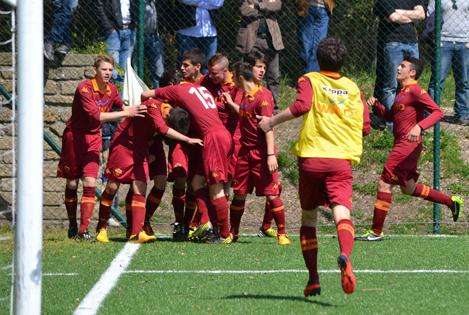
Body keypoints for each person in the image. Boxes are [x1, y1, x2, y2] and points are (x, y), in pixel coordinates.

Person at [258, 37, 371, 296]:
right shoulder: (354, 89)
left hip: (312, 158)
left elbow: (302, 105)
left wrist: (271, 122)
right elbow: (365, 128)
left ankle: (314, 279)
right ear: (343, 61)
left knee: (309, 217)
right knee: (342, 213)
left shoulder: (310, 79)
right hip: (340, 160)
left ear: (317, 58)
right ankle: (345, 254)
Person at [358, 56, 464, 241]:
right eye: (399, 65)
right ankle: (451, 202)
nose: (398, 68)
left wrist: (419, 126)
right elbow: (391, 116)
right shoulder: (402, 92)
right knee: (408, 188)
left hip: (407, 145)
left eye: (403, 66)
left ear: (412, 72)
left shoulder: (415, 90)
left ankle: (376, 232)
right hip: (403, 144)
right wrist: (377, 106)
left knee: (384, 183)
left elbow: (437, 112)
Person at [141, 52, 233, 244]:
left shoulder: (178, 90)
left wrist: (157, 107)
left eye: (185, 66)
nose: (182, 70)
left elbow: (145, 94)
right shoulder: (204, 89)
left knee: (215, 188)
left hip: (211, 138)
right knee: (197, 182)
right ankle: (208, 227)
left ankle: (224, 234)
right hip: (219, 136)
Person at [57, 55, 146, 240]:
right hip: (74, 138)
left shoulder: (112, 89)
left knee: (90, 182)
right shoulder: (84, 88)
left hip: (93, 139)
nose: (107, 73)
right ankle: (72, 224)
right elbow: (96, 116)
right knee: (72, 183)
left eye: (110, 70)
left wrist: (139, 109)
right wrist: (125, 112)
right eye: (104, 69)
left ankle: (83, 230)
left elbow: (123, 109)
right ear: (95, 70)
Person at [96, 98, 202, 243]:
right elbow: (162, 129)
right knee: (112, 187)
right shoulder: (153, 107)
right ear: (168, 118)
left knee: (140, 188)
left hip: (141, 149)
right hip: (124, 145)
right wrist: (188, 139)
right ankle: (101, 228)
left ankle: (136, 233)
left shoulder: (169, 111)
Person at [223, 59, 291, 245]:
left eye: (232, 76)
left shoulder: (264, 96)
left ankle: (282, 234)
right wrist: (231, 104)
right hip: (245, 153)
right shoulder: (246, 96)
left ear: (238, 77)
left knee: (271, 193)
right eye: (259, 67)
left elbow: (268, 126)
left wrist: (270, 155)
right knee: (240, 193)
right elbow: (248, 115)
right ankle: (233, 233)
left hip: (261, 154)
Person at [373, 0, 425, 111]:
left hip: (412, 43)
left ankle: (408, 116)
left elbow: (421, 14)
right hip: (393, 43)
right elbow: (394, 17)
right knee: (391, 84)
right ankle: (392, 120)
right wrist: (411, 16)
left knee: (411, 83)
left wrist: (400, 12)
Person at [427, 0, 469, 125]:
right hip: (443, 42)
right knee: (437, 80)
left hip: (464, 43)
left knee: (464, 81)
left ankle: (463, 114)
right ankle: (431, 114)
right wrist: (436, 37)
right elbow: (430, 16)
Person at [236, 0, 284, 106]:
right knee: (251, 75)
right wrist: (267, 8)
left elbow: (277, 5)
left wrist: (257, 6)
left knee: (274, 76)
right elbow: (245, 11)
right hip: (252, 41)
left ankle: (273, 106)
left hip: (271, 41)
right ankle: (251, 103)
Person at [175, 0, 224, 67]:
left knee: (209, 67)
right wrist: (207, 3)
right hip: (187, 32)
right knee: (188, 67)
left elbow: (218, 3)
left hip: (210, 33)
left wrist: (197, 3)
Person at [96, 0, 138, 72]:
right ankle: (113, 82)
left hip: (130, 29)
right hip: (114, 30)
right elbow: (99, 7)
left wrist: (134, 25)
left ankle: (121, 82)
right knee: (112, 63)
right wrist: (109, 28)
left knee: (125, 66)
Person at [297, 0, 335, 73]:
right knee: (306, 47)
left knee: (320, 47)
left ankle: (313, 78)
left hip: (324, 8)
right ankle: (309, 78)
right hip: (306, 7)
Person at [144, 0, 165, 88]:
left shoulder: (154, 2)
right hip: (137, 36)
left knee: (159, 69)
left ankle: (158, 92)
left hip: (154, 36)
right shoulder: (138, 2)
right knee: (135, 66)